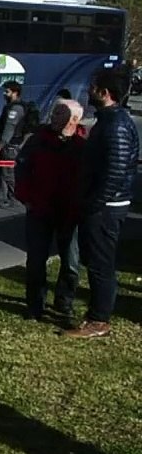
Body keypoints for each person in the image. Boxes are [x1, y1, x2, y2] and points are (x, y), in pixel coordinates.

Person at [64, 67, 138, 339]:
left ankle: (99, 320)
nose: (89, 92)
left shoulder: (116, 125)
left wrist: (95, 203)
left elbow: (115, 172)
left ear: (105, 93)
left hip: (106, 209)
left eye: (93, 88)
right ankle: (96, 314)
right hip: (101, 205)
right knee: (95, 261)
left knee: (101, 263)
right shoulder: (109, 121)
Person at [14, 99, 85, 322]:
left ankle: (64, 303)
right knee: (36, 260)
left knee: (71, 262)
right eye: (54, 112)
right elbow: (22, 169)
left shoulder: (84, 144)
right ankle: (35, 305)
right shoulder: (37, 140)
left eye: (60, 114)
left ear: (74, 119)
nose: (54, 117)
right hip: (39, 210)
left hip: (69, 213)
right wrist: (25, 198)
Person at [0, 80, 30, 207]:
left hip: (11, 145)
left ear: (15, 93)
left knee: (8, 173)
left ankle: (13, 199)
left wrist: (0, 145)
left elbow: (9, 128)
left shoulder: (16, 109)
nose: (4, 94)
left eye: (7, 91)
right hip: (6, 143)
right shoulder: (9, 107)